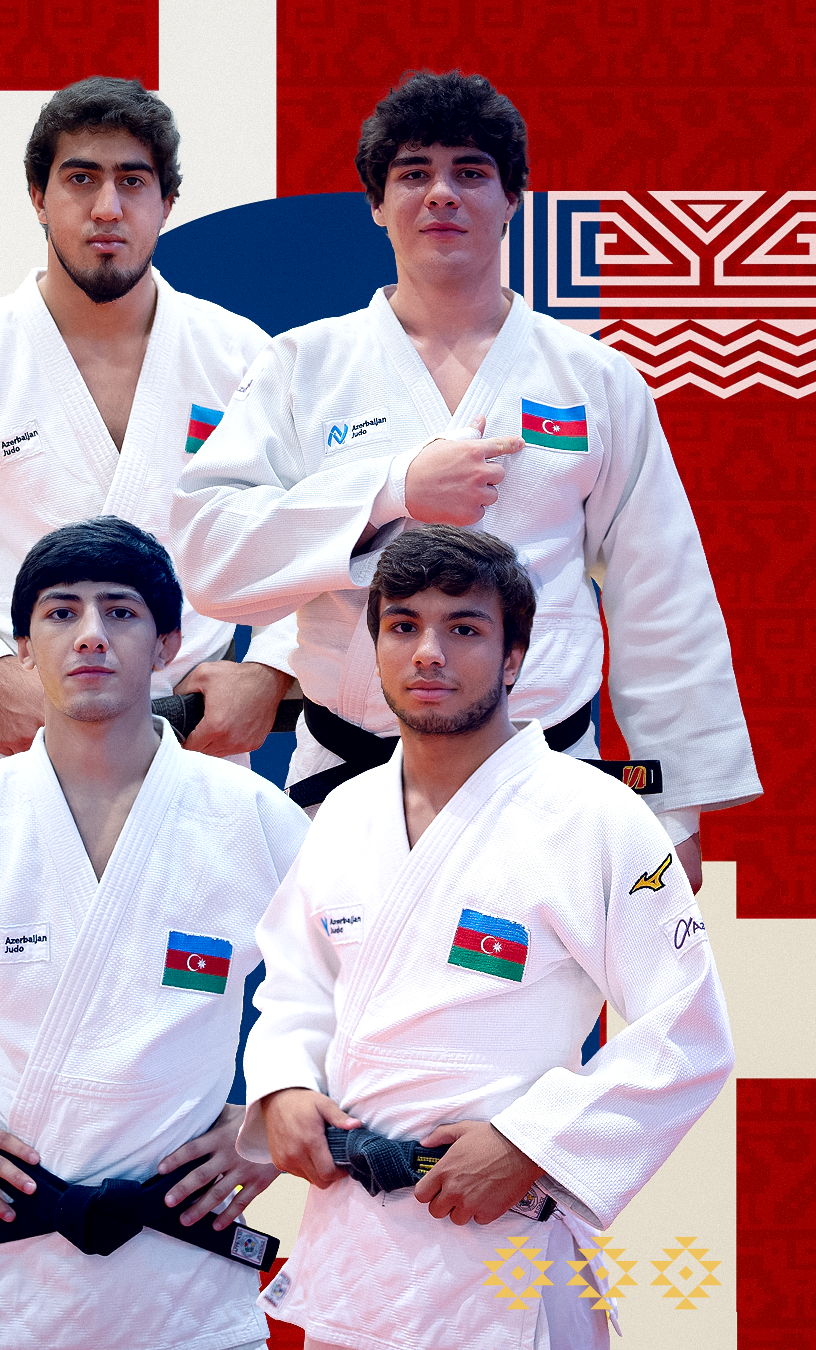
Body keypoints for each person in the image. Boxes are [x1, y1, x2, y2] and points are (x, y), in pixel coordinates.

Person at [171, 69, 759, 888]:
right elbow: (208, 555)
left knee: (539, 975)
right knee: (344, 975)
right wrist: (391, 491)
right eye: (414, 173)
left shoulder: (593, 378)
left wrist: (674, 809)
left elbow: (662, 596)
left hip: (548, 776)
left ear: (512, 197)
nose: (441, 193)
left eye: (470, 172)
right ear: (377, 204)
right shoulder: (303, 366)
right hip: (353, 779)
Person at [0, 518, 309, 1350]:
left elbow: (357, 973)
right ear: (22, 648)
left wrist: (270, 1128)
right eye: (61, 613)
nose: (91, 636)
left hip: (186, 1274)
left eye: (121, 612)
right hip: (16, 1266)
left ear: (168, 644)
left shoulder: (248, 815)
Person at [239, 526, 734, 1350]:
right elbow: (298, 983)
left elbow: (689, 1029)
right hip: (357, 1255)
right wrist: (285, 1084)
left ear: (514, 658)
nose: (428, 653)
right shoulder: (345, 813)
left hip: (504, 1254)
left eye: (463, 628)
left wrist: (530, 1144)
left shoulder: (597, 816)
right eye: (403, 626)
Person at [0, 75, 294, 774]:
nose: (107, 207)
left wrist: (269, 669)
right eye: (81, 179)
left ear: (167, 204)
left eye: (132, 182)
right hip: (24, 734)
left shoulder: (240, 358)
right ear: (38, 198)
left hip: (190, 734)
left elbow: (318, 530)